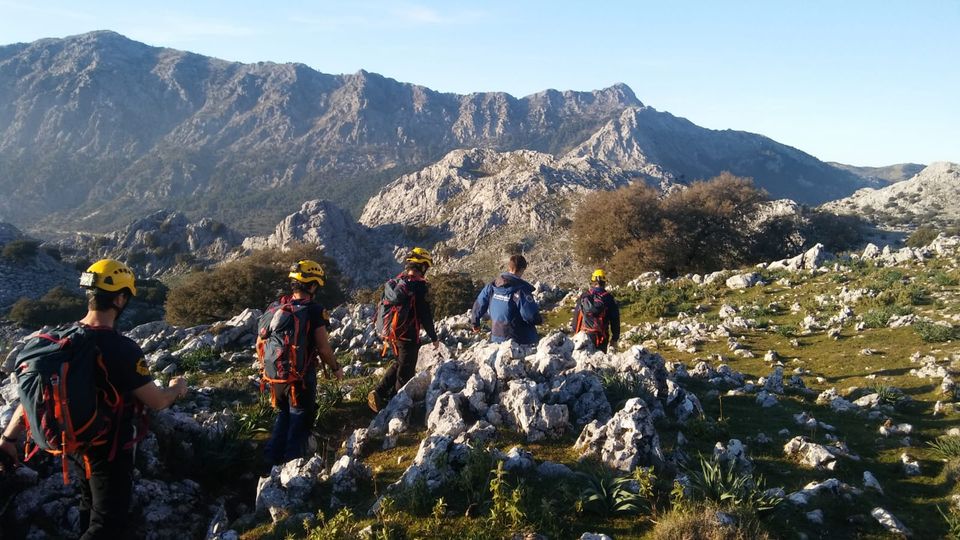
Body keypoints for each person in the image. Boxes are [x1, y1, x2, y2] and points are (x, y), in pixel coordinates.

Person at [0, 259, 188, 540]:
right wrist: (178, 387)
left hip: (73, 442)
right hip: (109, 448)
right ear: (120, 299)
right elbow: (157, 401)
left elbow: (34, 397)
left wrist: (9, 438)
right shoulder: (122, 348)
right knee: (108, 524)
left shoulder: (58, 340)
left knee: (89, 505)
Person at [258, 259, 342, 465]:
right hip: (300, 377)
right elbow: (323, 348)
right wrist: (336, 368)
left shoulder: (275, 307)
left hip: (275, 377)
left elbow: (260, 342)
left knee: (284, 415)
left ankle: (270, 461)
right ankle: (291, 469)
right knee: (299, 421)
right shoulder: (313, 310)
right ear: (312, 285)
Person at [368, 247, 439, 412]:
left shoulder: (398, 281)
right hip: (408, 335)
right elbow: (424, 314)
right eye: (425, 267)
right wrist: (434, 337)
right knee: (406, 372)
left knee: (400, 362)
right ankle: (395, 407)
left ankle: (379, 392)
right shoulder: (418, 286)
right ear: (422, 266)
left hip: (394, 333)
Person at [470, 254, 542, 344]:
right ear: (523, 269)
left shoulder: (492, 286)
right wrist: (539, 320)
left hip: (496, 336)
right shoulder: (521, 290)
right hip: (519, 339)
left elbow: (479, 304)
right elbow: (530, 316)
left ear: (509, 267)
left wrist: (475, 323)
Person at [571, 269, 621, 352]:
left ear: (593, 281)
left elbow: (577, 316)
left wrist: (575, 331)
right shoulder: (609, 298)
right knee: (599, 361)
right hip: (601, 337)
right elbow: (615, 320)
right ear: (604, 282)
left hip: (584, 335)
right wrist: (615, 338)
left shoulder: (584, 295)